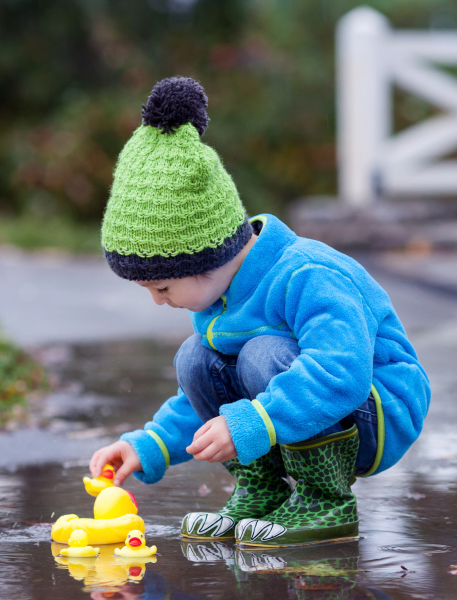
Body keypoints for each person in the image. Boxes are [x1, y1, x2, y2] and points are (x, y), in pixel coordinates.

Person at [89, 76, 430, 547]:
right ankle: (263, 490)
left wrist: (253, 422)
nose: (157, 300)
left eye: (162, 286)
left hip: (376, 410)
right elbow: (205, 400)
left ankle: (325, 499)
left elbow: (342, 370)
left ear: (203, 259)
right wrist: (147, 446)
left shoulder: (306, 274)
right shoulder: (219, 296)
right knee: (197, 359)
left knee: (260, 354)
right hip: (302, 406)